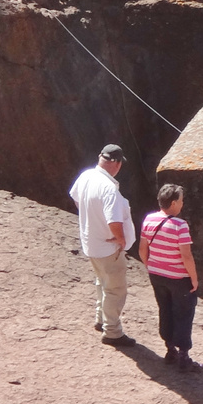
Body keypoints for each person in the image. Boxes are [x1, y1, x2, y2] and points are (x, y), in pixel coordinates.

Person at [69, 144, 136, 347]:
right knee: (115, 289)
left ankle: (100, 319)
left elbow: (75, 198)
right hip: (108, 248)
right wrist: (121, 239)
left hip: (91, 242)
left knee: (101, 281)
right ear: (115, 163)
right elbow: (113, 221)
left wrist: (89, 216)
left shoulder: (86, 176)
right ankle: (112, 332)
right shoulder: (109, 189)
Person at [139, 183, 203, 373]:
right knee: (184, 314)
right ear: (174, 203)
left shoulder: (149, 219)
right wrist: (194, 278)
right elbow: (186, 256)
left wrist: (150, 265)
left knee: (165, 309)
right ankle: (184, 356)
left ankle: (170, 350)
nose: (183, 204)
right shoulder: (180, 226)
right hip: (178, 278)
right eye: (181, 201)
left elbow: (143, 249)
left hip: (157, 275)